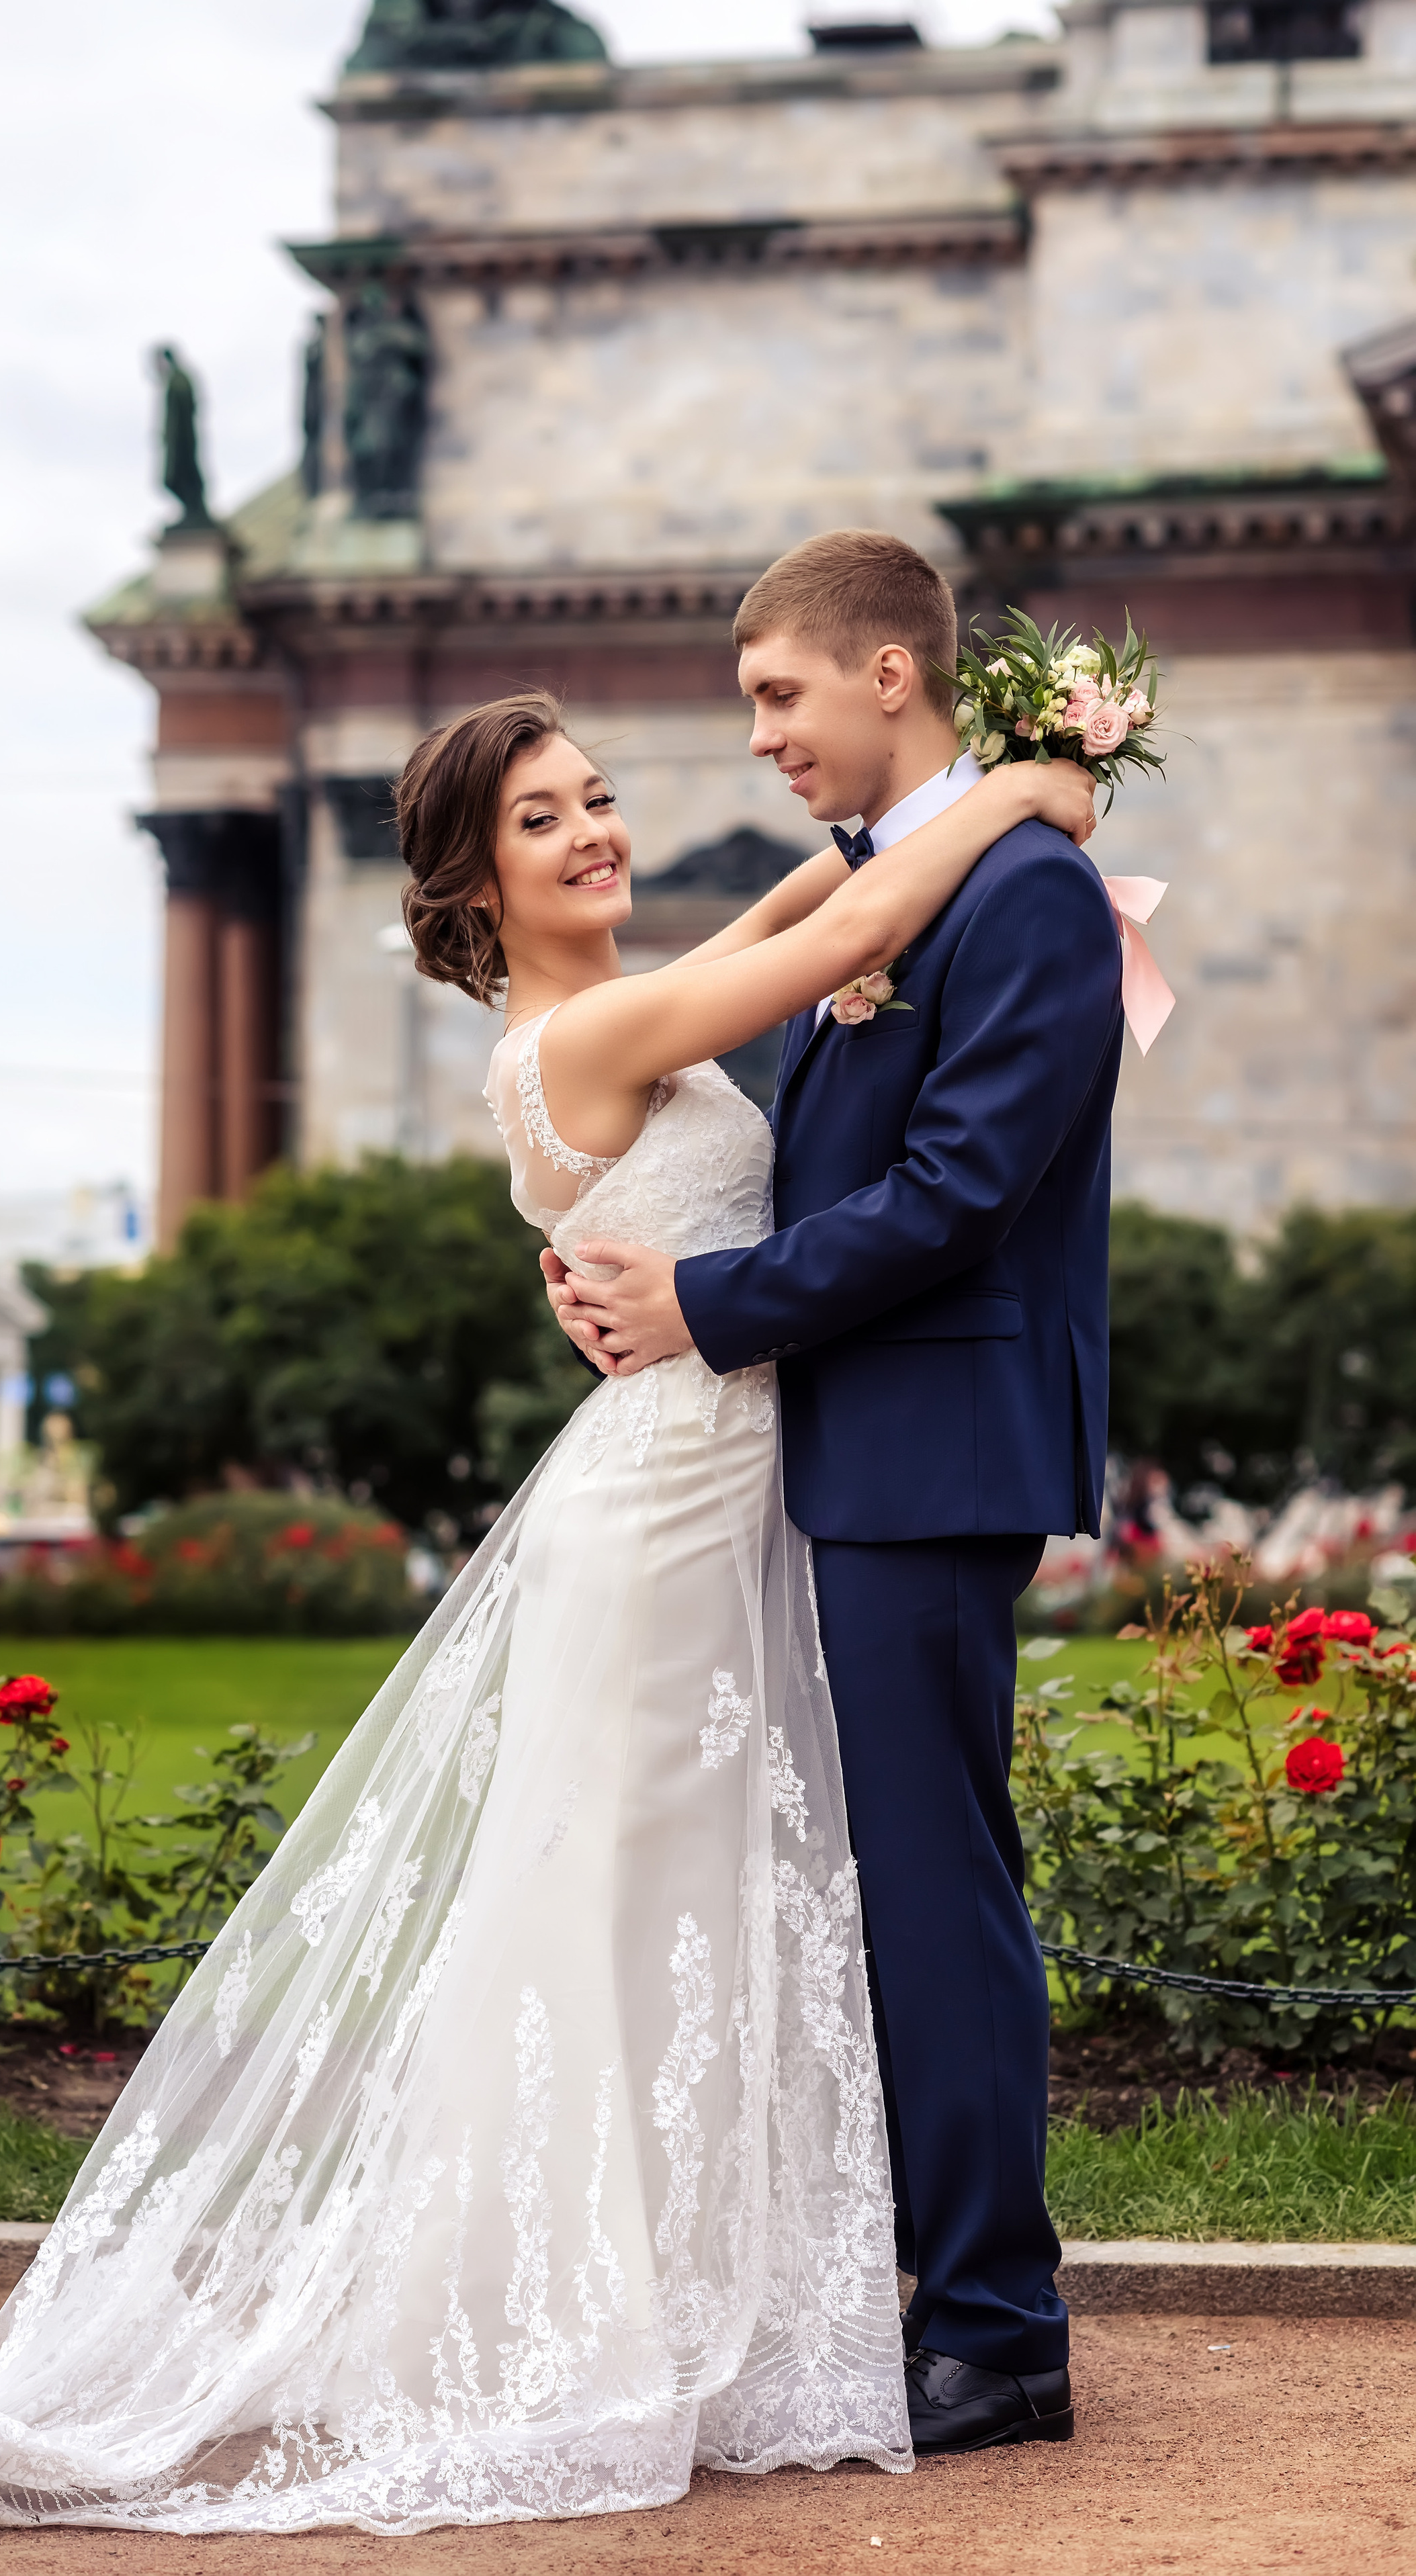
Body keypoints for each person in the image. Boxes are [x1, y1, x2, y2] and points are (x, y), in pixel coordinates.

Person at [0, 666, 1094, 2536]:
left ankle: (715, 2293)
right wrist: (1031, 787)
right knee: (630, 1899)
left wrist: (944, 818)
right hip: (671, 1504)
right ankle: (615, 2311)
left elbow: (793, 921)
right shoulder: (584, 1043)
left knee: (693, 1900)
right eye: (544, 819)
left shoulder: (618, 1012)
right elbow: (840, 921)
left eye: (599, 793)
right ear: (472, 884)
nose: (596, 828)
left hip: (710, 1481)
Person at [546, 528, 1127, 2457]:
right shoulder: (898, 886)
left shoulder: (1027, 894)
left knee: (939, 1892)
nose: (764, 737)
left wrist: (702, 1300)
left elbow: (961, 1195)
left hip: (927, 1450)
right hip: (831, 1446)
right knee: (869, 1887)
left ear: (893, 674)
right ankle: (916, 2291)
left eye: (781, 696)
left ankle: (996, 2325)